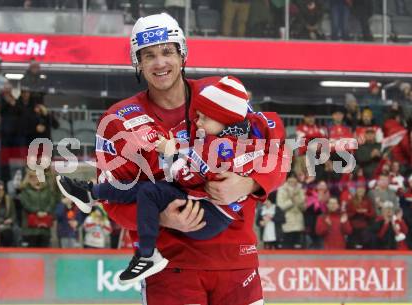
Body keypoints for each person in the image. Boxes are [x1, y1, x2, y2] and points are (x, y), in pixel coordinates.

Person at [72, 13, 286, 305]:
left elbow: (277, 152)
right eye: (149, 55)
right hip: (170, 268)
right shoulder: (117, 121)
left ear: (182, 54)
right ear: (138, 62)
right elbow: (113, 201)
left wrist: (249, 184)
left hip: (237, 263)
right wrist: (160, 217)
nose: (160, 63)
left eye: (167, 52)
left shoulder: (219, 95)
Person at [58, 76, 280, 284]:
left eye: (204, 117)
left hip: (210, 216)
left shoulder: (219, 148)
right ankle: (91, 193)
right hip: (209, 206)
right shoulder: (240, 137)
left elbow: (183, 176)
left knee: (149, 192)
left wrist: (169, 152)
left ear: (222, 118)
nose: (197, 122)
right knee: (147, 188)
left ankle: (146, 254)